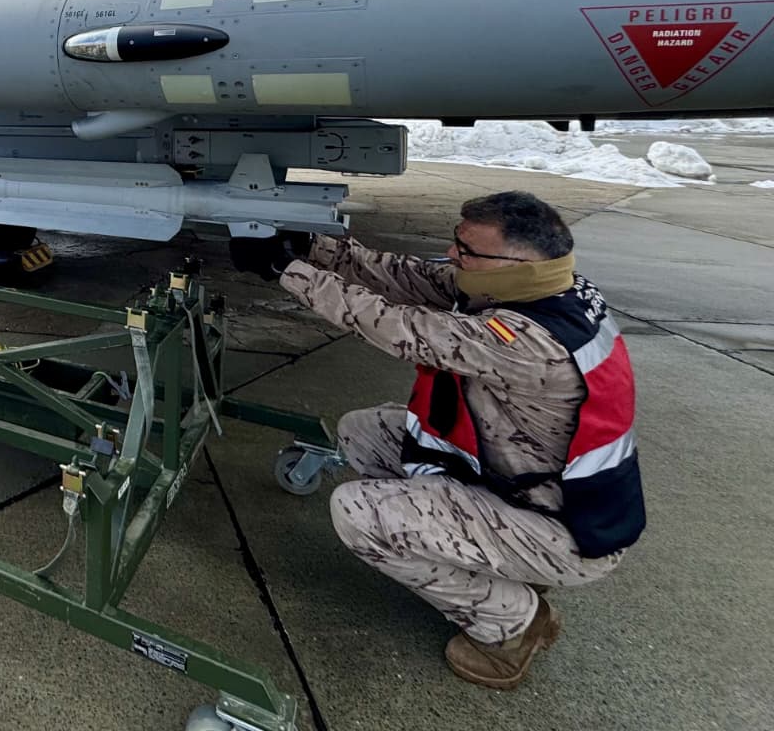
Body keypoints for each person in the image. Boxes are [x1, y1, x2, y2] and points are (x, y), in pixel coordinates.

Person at [266, 191, 644, 689]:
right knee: (364, 433)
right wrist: (313, 248)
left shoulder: (531, 341)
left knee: (357, 512)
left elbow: (402, 327)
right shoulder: (540, 287)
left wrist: (291, 273)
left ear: (517, 259)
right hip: (522, 483)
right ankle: (477, 552)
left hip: (562, 528)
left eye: (466, 251)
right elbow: (413, 278)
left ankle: (513, 624)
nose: (452, 256)